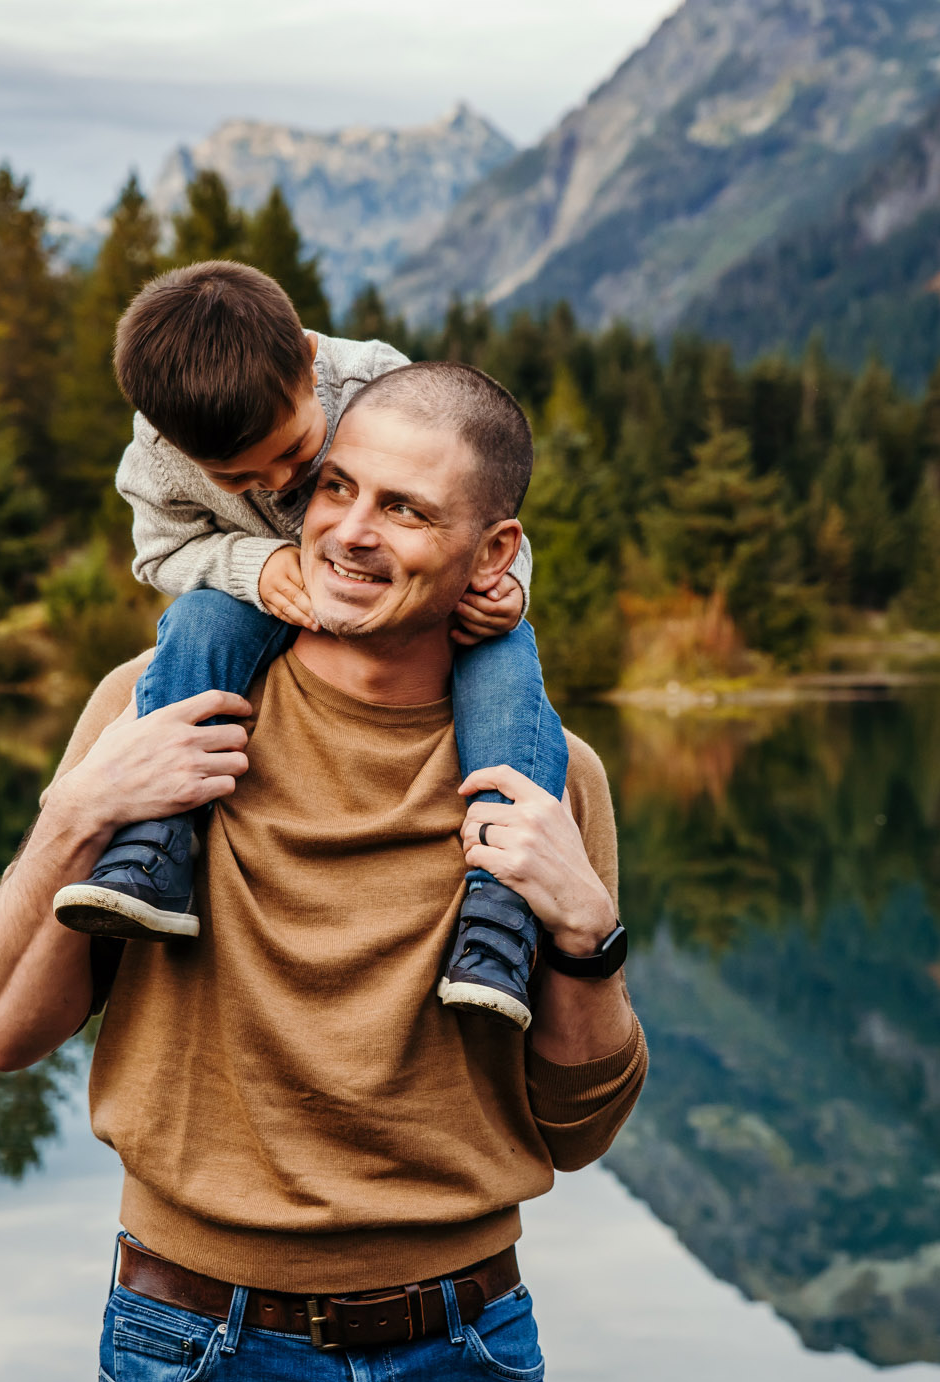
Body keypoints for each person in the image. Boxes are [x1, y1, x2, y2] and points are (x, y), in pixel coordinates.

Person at [0, 360, 648, 1382]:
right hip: (197, 1360)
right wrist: (79, 814)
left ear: (494, 552)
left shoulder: (550, 779)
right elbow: (1, 1028)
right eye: (335, 489)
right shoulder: (155, 711)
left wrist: (583, 933)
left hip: (467, 1369)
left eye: (405, 509)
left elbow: (576, 1128)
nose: (349, 529)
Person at [50, 260, 568, 1029]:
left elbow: (480, 501)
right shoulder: (159, 453)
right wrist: (255, 566)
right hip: (263, 599)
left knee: (504, 660)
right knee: (197, 623)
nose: (280, 483)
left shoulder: (378, 384)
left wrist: (509, 588)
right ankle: (155, 844)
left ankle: (501, 908)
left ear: (308, 358)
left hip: (416, 606)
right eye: (239, 476)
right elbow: (159, 555)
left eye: (299, 457)